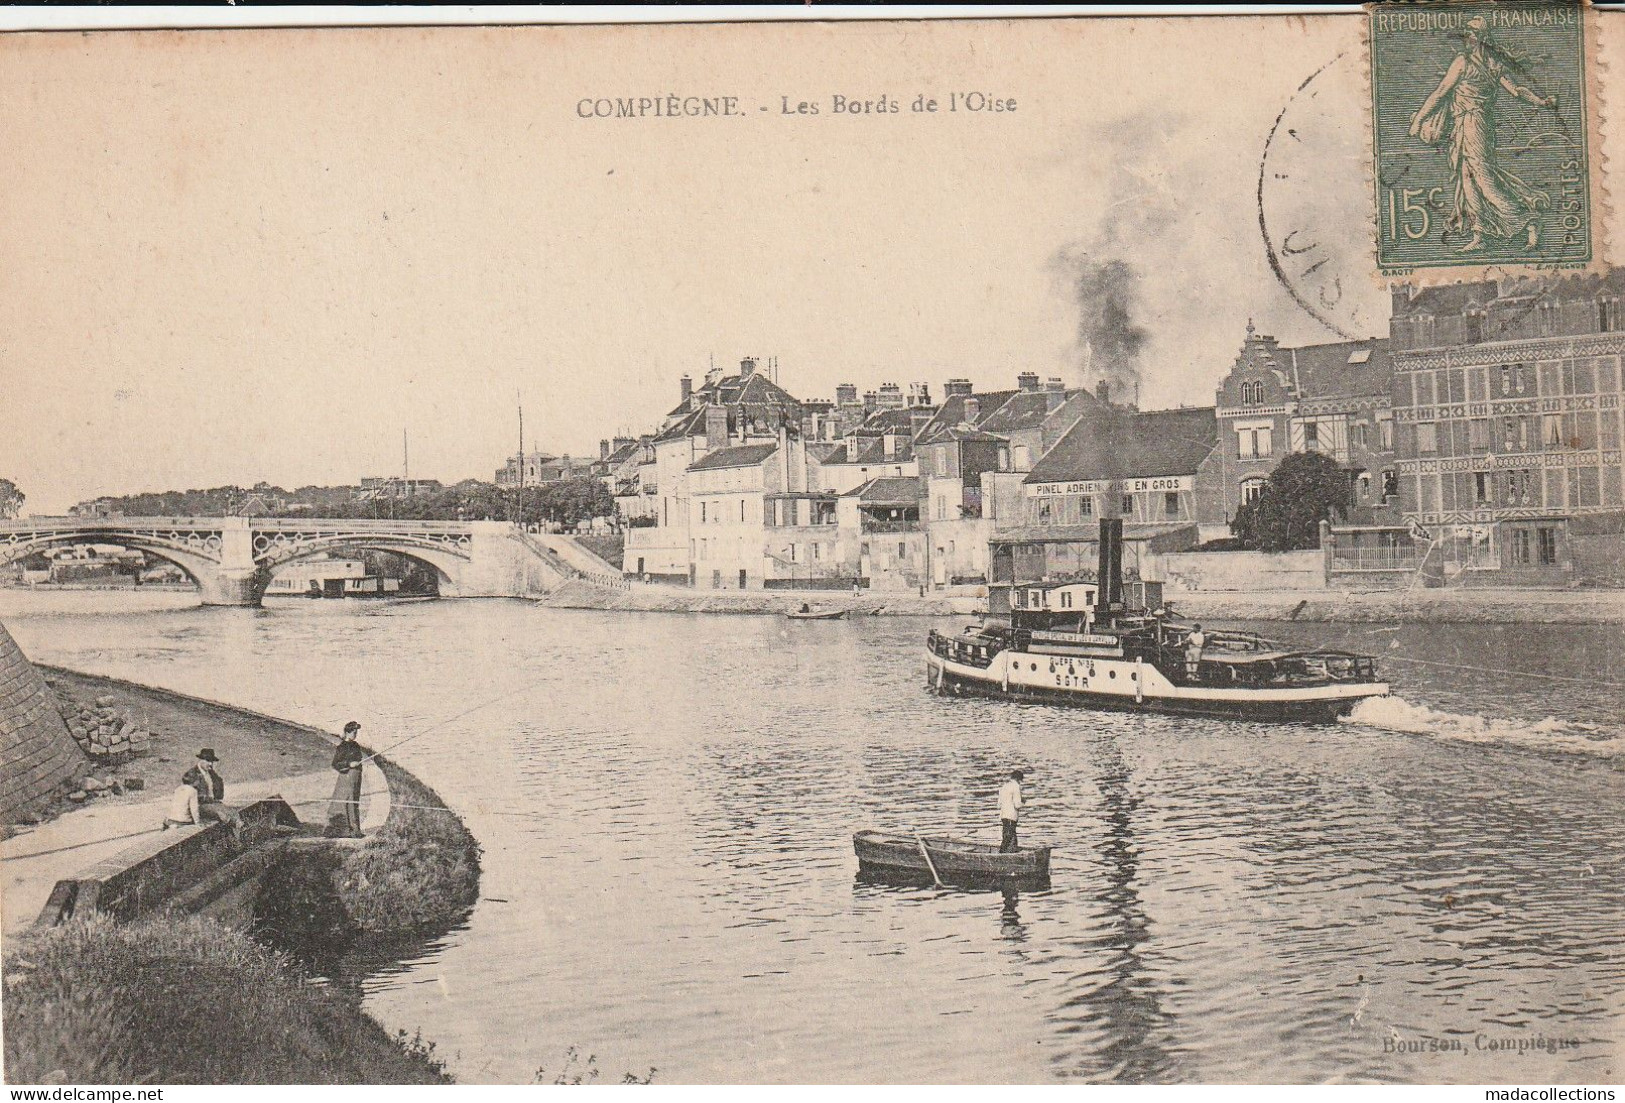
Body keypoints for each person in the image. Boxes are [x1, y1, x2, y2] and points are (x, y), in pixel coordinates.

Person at [1408, 14, 1555, 254]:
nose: (1468, 38)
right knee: (1467, 179)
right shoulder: (1489, 63)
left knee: (1484, 179)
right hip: (1466, 124)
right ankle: (1481, 233)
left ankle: (1528, 220)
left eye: (1472, 34)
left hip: (1474, 123)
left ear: (1480, 38)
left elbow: (1441, 93)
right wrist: (1541, 101)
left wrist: (1420, 120)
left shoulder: (1466, 63)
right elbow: (1517, 90)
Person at [327, 720, 366, 838]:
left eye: (356, 732)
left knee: (354, 802)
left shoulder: (356, 745)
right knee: (348, 802)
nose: (356, 734)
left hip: (356, 777)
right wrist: (349, 764)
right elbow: (335, 763)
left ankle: (355, 830)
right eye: (354, 732)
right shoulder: (342, 747)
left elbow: (358, 759)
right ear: (348, 732)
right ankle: (350, 831)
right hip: (347, 777)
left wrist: (357, 765)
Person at [182, 748, 229, 825]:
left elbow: (219, 792)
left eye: (212, 761)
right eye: (208, 761)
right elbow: (191, 797)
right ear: (201, 760)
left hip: (213, 805)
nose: (210, 764)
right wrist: (209, 799)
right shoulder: (191, 774)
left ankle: (241, 828)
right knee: (223, 816)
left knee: (232, 812)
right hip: (200, 807)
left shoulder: (211, 773)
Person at [998, 769, 1025, 854]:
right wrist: (1023, 802)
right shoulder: (1016, 787)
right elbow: (1017, 805)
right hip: (1011, 816)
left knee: (1007, 836)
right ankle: (1003, 855)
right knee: (1010, 838)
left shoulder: (1004, 786)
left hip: (1004, 815)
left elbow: (999, 804)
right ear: (1018, 779)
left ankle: (1006, 853)